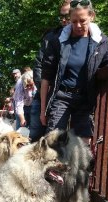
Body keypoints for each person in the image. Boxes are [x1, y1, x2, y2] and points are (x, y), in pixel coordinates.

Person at [40, 0, 108, 145]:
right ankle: (53, 168)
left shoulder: (101, 41)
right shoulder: (58, 41)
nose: (78, 25)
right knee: (52, 141)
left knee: (83, 145)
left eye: (82, 20)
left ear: (91, 16)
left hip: (86, 98)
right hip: (61, 97)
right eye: (74, 21)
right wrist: (43, 109)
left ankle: (80, 168)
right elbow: (46, 77)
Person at [30, 0, 71, 141]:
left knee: (58, 142)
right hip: (44, 95)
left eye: (68, 16)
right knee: (35, 137)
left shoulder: (89, 39)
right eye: (62, 17)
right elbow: (39, 66)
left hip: (69, 98)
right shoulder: (50, 37)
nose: (64, 20)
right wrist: (45, 91)